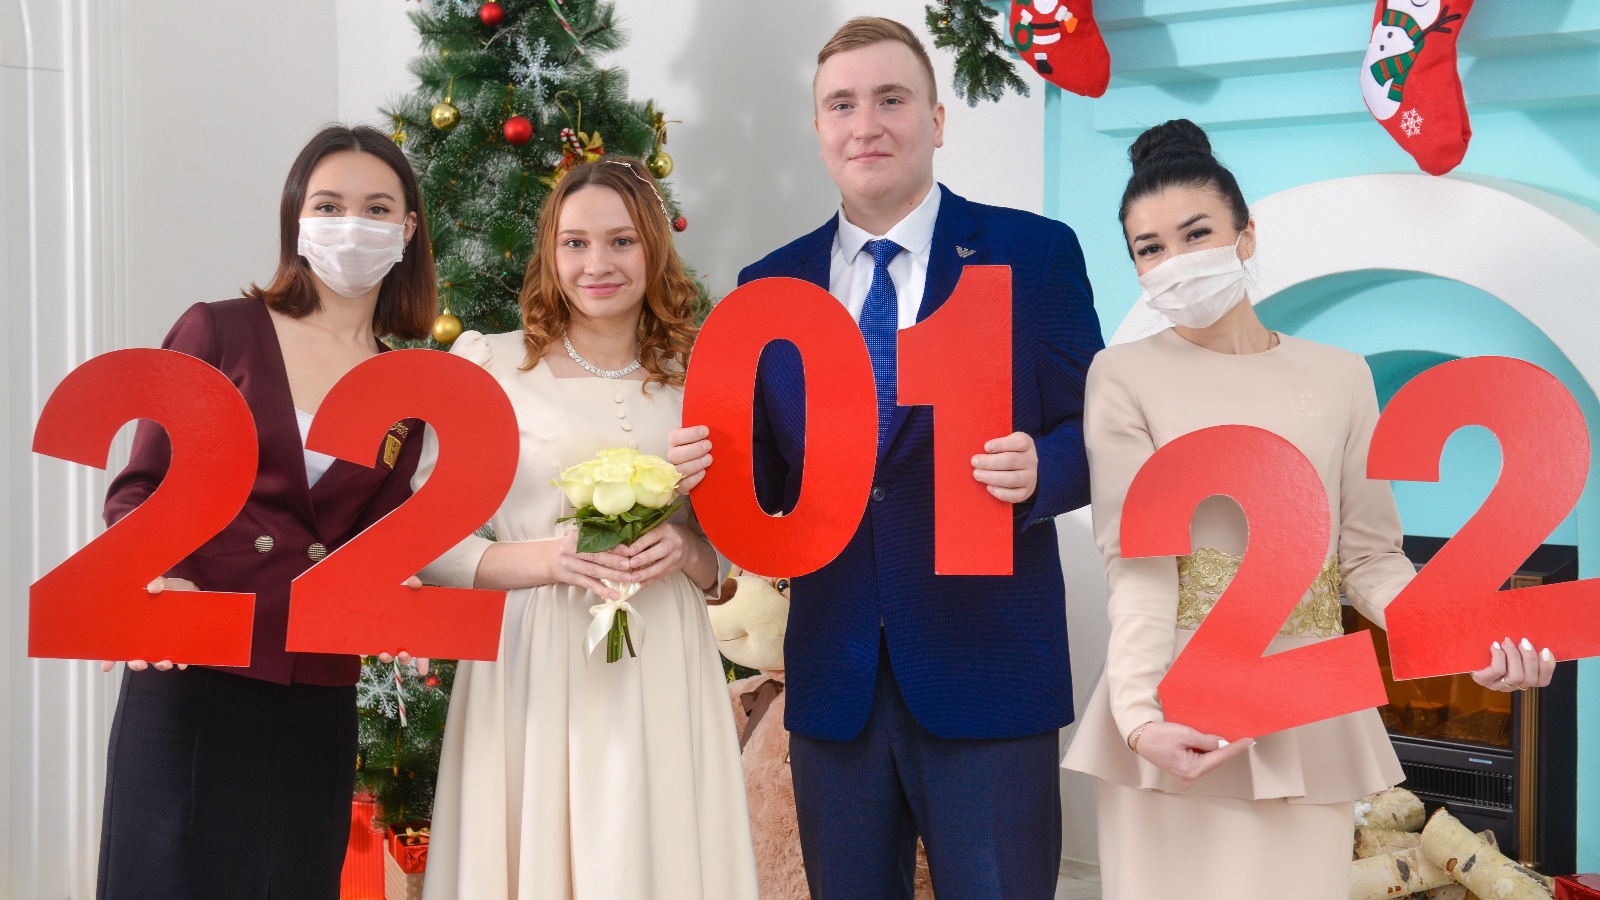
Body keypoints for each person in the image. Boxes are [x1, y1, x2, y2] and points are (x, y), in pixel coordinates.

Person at [1060, 118, 1557, 900]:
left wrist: (1470, 640)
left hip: (1306, 703)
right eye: (1149, 249)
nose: (1175, 263)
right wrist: (1138, 716)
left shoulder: (1341, 376)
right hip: (1174, 703)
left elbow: (1369, 559)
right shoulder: (1121, 375)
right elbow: (1138, 566)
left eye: (1197, 234)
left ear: (1247, 235)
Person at [669, 17, 1104, 899]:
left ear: (936, 121)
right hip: (835, 683)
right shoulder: (768, 286)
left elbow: (1101, 433)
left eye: (890, 99)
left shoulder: (1034, 254)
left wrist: (1042, 471)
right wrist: (708, 467)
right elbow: (770, 481)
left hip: (988, 672)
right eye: (842, 105)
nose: (865, 124)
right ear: (818, 129)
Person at [97, 124, 436, 898]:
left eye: (377, 208)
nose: (352, 225)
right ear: (296, 218)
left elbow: (374, 543)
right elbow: (139, 487)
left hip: (312, 692)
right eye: (330, 205)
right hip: (192, 671)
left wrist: (394, 592)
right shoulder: (219, 330)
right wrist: (156, 578)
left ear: (408, 229)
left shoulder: (408, 390)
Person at [416, 158, 759, 900]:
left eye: (621, 241)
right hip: (536, 654)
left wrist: (689, 551)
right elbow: (427, 542)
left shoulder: (700, 376)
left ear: (654, 251)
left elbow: (738, 557)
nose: (596, 263)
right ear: (551, 252)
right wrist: (548, 561)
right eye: (575, 243)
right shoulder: (490, 365)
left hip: (665, 654)